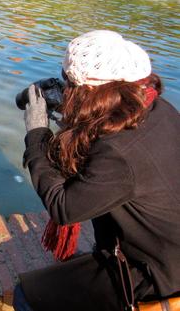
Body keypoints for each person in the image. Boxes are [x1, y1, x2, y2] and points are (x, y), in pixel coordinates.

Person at [15, 30, 180, 311]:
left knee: (25, 295)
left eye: (68, 82)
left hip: (155, 272)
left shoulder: (117, 153)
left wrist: (37, 133)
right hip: (164, 249)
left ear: (89, 90)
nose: (64, 88)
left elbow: (63, 207)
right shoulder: (158, 108)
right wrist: (70, 114)